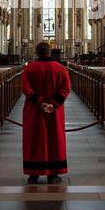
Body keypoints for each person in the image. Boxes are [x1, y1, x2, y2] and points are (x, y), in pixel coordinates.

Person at [22, 42, 71, 185]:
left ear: (36, 53)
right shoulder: (60, 68)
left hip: (34, 110)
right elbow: (66, 88)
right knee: (54, 138)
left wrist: (40, 103)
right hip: (54, 111)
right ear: (50, 52)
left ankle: (33, 174)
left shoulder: (29, 68)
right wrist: (53, 104)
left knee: (34, 139)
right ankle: (53, 175)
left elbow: (26, 88)